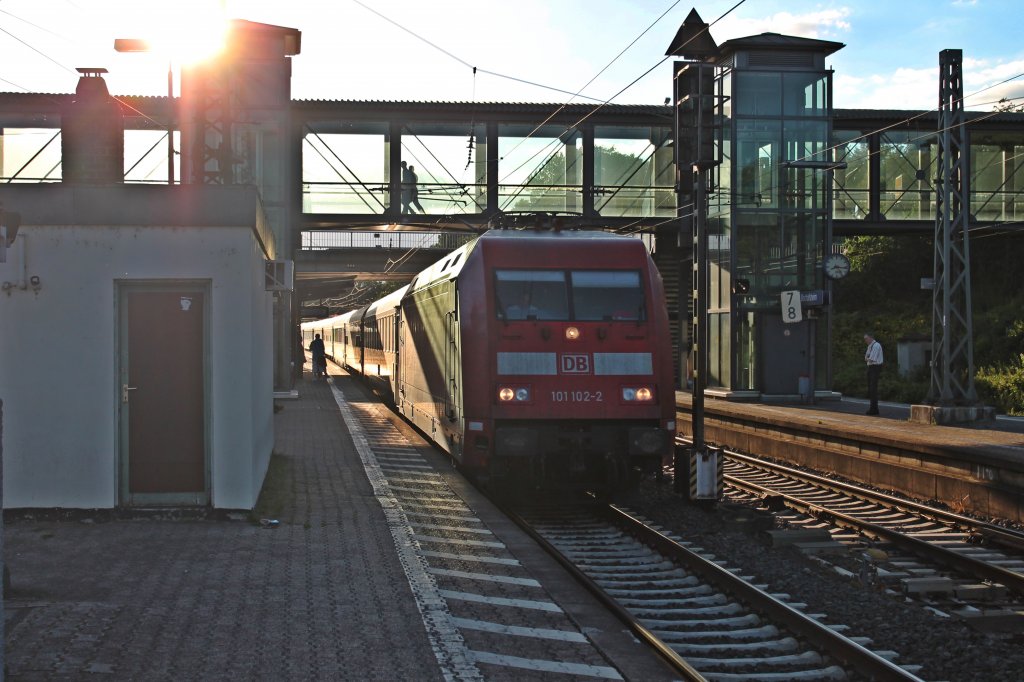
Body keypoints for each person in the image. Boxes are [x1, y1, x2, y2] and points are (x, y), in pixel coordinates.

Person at [863, 333, 883, 415]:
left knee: (873, 388)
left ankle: (874, 409)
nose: (865, 341)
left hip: (875, 367)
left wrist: (868, 358)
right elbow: (866, 357)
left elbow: (871, 358)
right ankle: (873, 408)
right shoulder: (870, 346)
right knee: (871, 389)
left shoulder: (876, 345)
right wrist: (868, 358)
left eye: (866, 338)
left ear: (871, 338)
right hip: (871, 367)